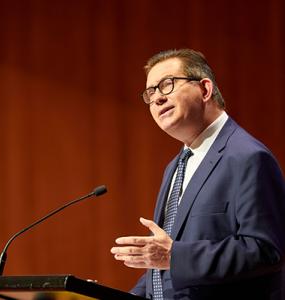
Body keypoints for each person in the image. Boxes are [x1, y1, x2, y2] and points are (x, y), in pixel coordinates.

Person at [110, 49, 285, 300]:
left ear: (204, 89)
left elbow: (266, 250)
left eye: (166, 85)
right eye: (150, 93)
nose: (157, 98)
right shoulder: (176, 166)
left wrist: (173, 256)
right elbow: (164, 266)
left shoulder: (248, 158)